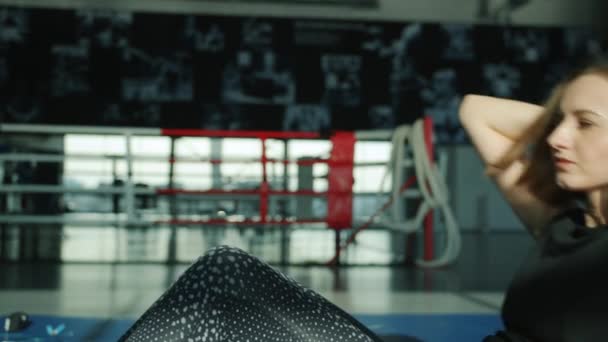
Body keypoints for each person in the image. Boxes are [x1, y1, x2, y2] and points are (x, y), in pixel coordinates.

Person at [459, 58, 608, 341]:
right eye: (559, 122)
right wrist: (565, 119)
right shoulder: (560, 225)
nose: (555, 138)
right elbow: (475, 110)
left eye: (585, 123)